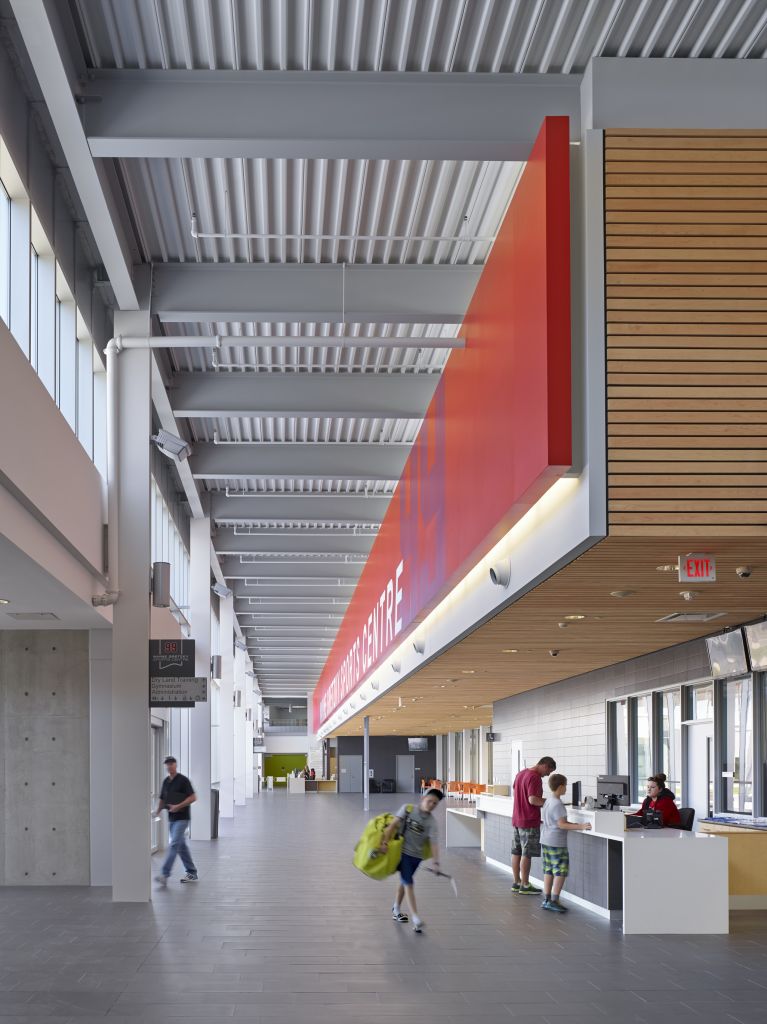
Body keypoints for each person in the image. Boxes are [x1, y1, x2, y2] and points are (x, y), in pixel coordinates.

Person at [379, 788, 443, 933]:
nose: (431, 804)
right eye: (429, 801)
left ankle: (396, 908)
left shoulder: (432, 822)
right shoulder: (408, 809)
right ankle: (416, 918)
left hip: (417, 857)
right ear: (422, 799)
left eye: (435, 803)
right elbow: (392, 825)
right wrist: (384, 842)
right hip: (402, 853)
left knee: (404, 881)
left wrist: (436, 862)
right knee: (409, 883)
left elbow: (434, 843)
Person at [540, 774, 592, 913]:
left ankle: (547, 899)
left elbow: (557, 822)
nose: (566, 789)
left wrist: (574, 824)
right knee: (560, 871)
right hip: (557, 842)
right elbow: (561, 825)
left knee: (549, 869)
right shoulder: (558, 804)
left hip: (546, 839)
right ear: (561, 786)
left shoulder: (548, 801)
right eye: (566, 785)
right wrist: (580, 827)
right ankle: (555, 900)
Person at [511, 755, 556, 895]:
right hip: (529, 820)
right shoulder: (535, 777)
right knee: (526, 853)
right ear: (545, 765)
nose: (547, 775)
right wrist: (551, 802)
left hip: (517, 818)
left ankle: (517, 882)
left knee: (516, 851)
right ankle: (525, 885)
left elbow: (516, 793)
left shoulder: (521, 773)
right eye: (548, 772)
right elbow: (533, 800)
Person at [154, 757, 198, 886]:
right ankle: (192, 872)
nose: (169, 767)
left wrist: (178, 806)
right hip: (171, 819)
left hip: (182, 818)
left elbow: (193, 797)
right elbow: (162, 798)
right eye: (167, 765)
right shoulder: (166, 782)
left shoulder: (183, 780)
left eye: (171, 764)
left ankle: (164, 874)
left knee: (173, 845)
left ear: (176, 765)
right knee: (181, 847)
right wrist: (157, 811)